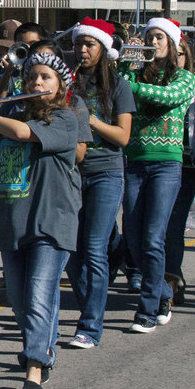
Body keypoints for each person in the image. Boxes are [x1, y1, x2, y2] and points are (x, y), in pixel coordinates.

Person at [0, 51, 80, 389]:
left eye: (46, 78)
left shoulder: (65, 119)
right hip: (14, 222)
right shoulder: (9, 117)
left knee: (40, 293)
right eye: (32, 78)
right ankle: (40, 350)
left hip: (50, 222)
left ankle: (35, 365)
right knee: (18, 298)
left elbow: (25, 133)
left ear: (60, 87)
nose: (37, 83)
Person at [120, 17, 194, 334]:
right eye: (149, 36)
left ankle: (148, 309)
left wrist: (131, 84)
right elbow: (118, 93)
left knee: (152, 238)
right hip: (135, 161)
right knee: (134, 240)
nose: (153, 42)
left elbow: (165, 98)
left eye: (159, 37)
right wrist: (126, 61)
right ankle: (164, 293)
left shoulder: (185, 78)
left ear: (172, 42)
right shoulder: (134, 74)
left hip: (166, 164)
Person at [65, 19, 134, 349]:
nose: (82, 50)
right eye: (79, 44)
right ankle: (96, 300)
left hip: (106, 172)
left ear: (104, 49)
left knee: (92, 249)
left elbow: (122, 137)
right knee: (72, 252)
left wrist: (89, 120)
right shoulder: (68, 83)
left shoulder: (119, 85)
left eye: (90, 45)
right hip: (72, 173)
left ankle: (90, 325)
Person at [163, 36, 195, 304]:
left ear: (187, 56)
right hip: (154, 161)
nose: (175, 60)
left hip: (186, 164)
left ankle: (171, 278)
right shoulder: (153, 82)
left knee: (173, 225)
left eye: (179, 55)